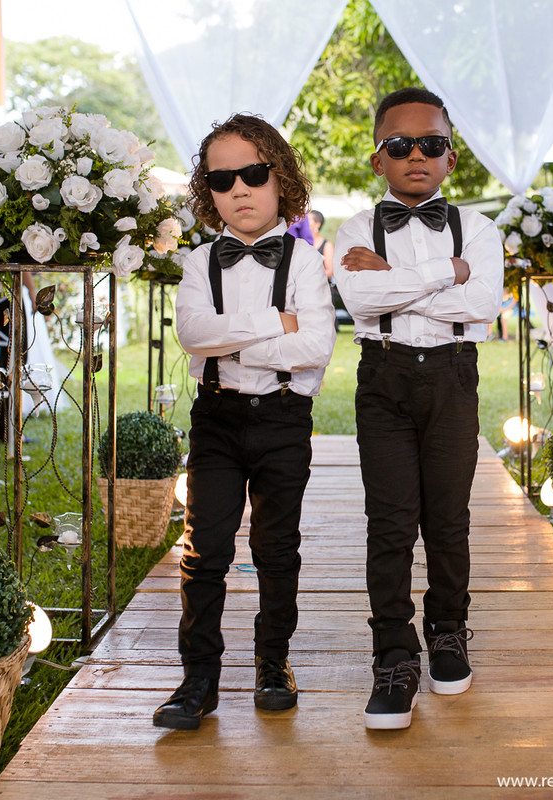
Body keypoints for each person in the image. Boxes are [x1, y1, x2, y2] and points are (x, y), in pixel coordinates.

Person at [153, 114, 336, 731]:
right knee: (204, 550)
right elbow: (192, 335)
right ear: (209, 193)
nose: (240, 189)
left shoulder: (306, 264)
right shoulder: (200, 262)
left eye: (253, 173)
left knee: (276, 547)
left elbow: (314, 348)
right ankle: (198, 677)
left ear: (280, 178)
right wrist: (270, 325)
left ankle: (272, 662)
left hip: (284, 419)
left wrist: (232, 343)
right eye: (223, 178)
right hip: (217, 421)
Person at [333, 87, 504, 730]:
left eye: (430, 144)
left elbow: (479, 306)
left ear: (451, 158)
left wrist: (398, 284)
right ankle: (393, 656)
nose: (415, 156)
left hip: (454, 379)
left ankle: (449, 632)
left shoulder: (481, 230)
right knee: (391, 522)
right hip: (384, 380)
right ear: (378, 160)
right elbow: (362, 302)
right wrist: (445, 273)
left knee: (448, 519)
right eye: (399, 145)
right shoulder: (354, 231)